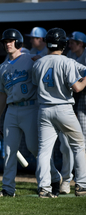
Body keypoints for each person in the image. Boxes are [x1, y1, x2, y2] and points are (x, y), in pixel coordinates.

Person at [0, 28, 62, 198]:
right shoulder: (3, 66)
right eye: (5, 41)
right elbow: (2, 94)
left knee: (35, 148)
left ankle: (54, 177)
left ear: (19, 43)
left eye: (11, 41)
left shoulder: (30, 58)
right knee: (9, 151)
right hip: (12, 110)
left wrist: (42, 60)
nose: (8, 44)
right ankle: (8, 189)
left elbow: (50, 66)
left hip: (31, 107)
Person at [32, 28, 86, 198]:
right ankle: (82, 186)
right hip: (64, 108)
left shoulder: (38, 63)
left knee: (44, 151)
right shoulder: (67, 61)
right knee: (78, 146)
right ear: (63, 44)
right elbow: (77, 87)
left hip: (44, 109)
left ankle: (44, 188)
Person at [59, 31, 86, 194]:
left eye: (74, 42)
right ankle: (68, 179)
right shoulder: (68, 55)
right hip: (73, 100)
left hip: (80, 98)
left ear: (82, 43)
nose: (70, 44)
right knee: (69, 145)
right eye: (70, 42)